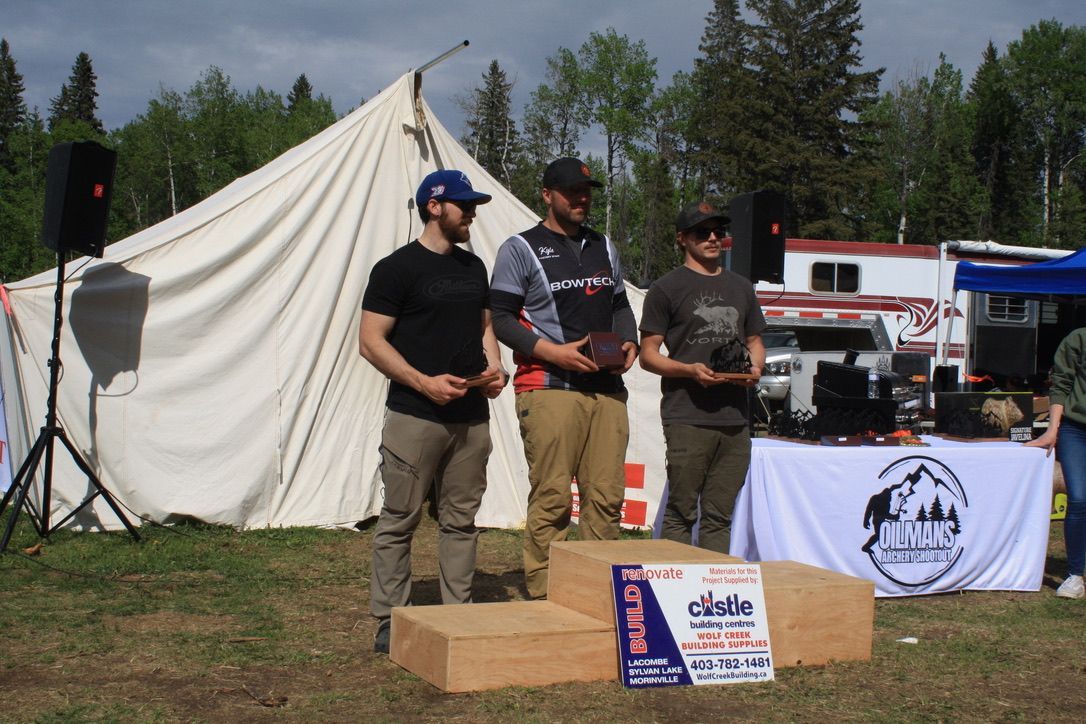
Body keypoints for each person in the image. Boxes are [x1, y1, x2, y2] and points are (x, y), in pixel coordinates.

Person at [359, 169, 506, 653]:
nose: (472, 212)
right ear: (434, 206)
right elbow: (370, 342)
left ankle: (457, 617)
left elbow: (485, 326)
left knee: (461, 521)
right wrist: (423, 382)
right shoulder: (395, 269)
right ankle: (390, 619)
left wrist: (495, 368)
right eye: (464, 204)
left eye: (474, 204)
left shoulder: (473, 268)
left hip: (470, 418)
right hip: (414, 416)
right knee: (399, 519)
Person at [489, 157, 639, 599]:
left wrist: (628, 342)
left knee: (607, 499)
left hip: (607, 389)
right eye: (572, 191)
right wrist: (553, 353)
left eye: (587, 190)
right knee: (553, 498)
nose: (582, 198)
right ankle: (543, 595)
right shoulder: (520, 247)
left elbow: (619, 306)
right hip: (550, 386)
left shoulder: (603, 246)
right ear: (547, 195)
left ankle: (597, 595)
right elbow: (500, 318)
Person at [638, 200, 766, 554]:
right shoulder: (666, 288)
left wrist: (756, 368)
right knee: (681, 511)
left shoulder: (741, 287)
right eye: (702, 232)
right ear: (682, 239)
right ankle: (674, 586)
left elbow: (755, 341)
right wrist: (688, 370)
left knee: (720, 514)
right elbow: (647, 355)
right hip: (687, 414)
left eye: (718, 231)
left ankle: (710, 591)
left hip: (735, 417)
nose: (713, 238)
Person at [1026, 327, 1086, 599]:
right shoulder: (1078, 338)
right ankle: (1075, 575)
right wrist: (1052, 431)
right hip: (1076, 430)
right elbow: (1061, 385)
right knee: (1079, 498)